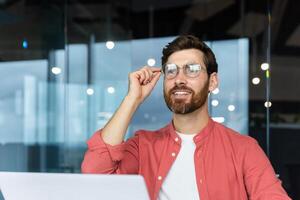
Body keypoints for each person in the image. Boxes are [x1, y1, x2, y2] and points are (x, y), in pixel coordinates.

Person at [81, 35, 290, 200]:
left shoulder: (244, 149)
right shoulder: (143, 145)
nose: (179, 79)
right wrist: (132, 100)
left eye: (192, 70)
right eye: (171, 71)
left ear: (213, 82)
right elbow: (96, 175)